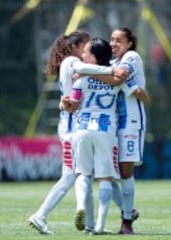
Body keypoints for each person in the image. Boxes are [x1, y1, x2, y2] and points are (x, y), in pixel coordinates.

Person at [28, 30, 127, 235]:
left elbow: (80, 86)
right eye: (85, 44)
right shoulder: (73, 61)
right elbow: (84, 70)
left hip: (77, 124)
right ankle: (40, 215)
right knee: (72, 176)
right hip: (73, 127)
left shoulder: (79, 69)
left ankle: (91, 224)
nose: (86, 50)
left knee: (85, 175)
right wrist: (111, 70)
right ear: (74, 47)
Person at [61, 37, 131, 234]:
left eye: (86, 53)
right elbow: (121, 80)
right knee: (106, 179)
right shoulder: (114, 79)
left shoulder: (80, 79)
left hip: (82, 129)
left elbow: (73, 106)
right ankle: (100, 225)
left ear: (94, 57)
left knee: (83, 174)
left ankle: (81, 205)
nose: (82, 55)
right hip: (106, 130)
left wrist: (65, 104)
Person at [109, 27, 150, 234]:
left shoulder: (132, 57)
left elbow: (118, 78)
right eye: (112, 39)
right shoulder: (112, 64)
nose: (113, 43)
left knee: (125, 170)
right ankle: (129, 210)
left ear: (129, 44)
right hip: (113, 124)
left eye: (119, 40)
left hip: (131, 122)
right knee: (105, 173)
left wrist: (93, 70)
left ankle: (126, 222)